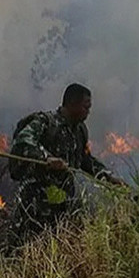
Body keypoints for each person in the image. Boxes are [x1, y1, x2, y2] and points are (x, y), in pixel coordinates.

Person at [8, 83, 125, 242]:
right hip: (35, 204)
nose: (88, 112)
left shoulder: (79, 131)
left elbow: (84, 159)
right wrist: (46, 158)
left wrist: (106, 176)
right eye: (86, 107)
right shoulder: (45, 122)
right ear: (72, 104)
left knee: (53, 250)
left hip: (62, 204)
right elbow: (24, 141)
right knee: (24, 247)